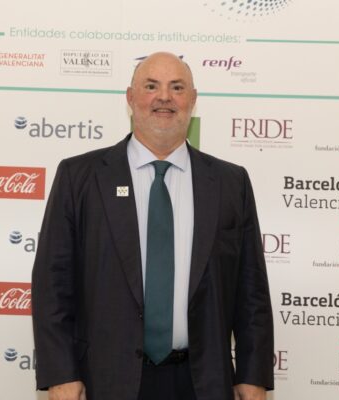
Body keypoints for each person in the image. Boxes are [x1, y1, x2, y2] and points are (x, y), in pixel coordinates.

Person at [32, 51, 274, 400]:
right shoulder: (79, 177)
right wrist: (61, 373)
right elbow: (52, 284)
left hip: (203, 382)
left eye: (177, 87)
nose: (164, 97)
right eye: (151, 86)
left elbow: (251, 291)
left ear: (193, 100)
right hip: (105, 380)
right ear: (130, 98)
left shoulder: (230, 182)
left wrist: (253, 376)